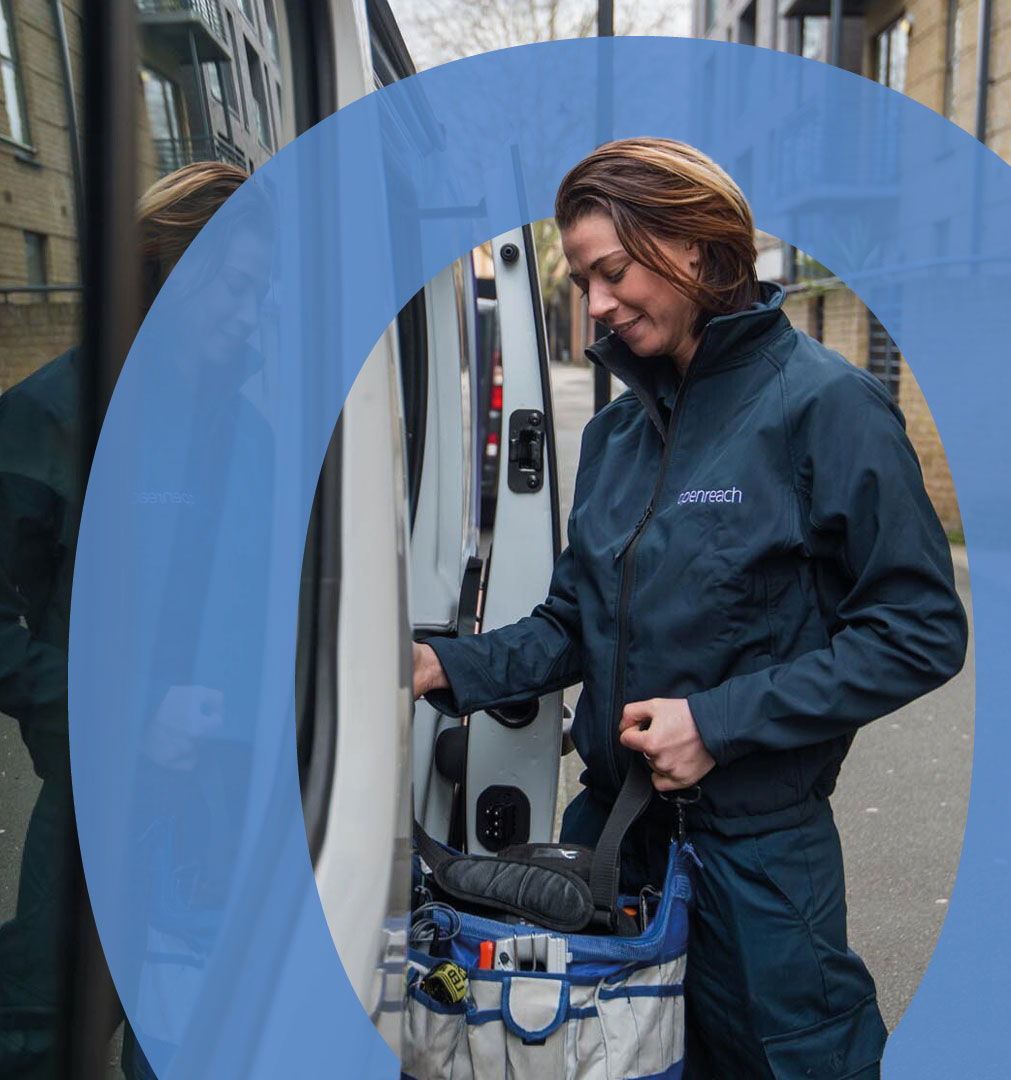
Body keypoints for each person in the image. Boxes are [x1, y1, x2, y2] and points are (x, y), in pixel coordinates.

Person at [411, 138, 968, 1078]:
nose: (596, 304)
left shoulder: (828, 407)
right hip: (612, 850)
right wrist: (442, 668)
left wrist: (716, 723)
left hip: (758, 870)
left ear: (700, 250)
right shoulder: (620, 433)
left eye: (612, 271)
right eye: (585, 280)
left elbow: (920, 631)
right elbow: (569, 624)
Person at [0, 161, 270, 1080]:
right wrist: (132, 709)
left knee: (196, 1045)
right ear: (162, 273)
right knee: (37, 1038)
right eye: (235, 286)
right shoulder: (50, 419)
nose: (250, 312)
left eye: (260, 291)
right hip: (97, 809)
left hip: (223, 817)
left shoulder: (254, 431)